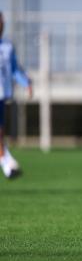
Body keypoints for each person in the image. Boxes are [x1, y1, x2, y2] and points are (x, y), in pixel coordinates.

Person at [0, 11, 33, 179]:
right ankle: (7, 163)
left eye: (3, 21)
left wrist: (26, 83)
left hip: (2, 96)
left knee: (1, 131)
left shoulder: (7, 46)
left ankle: (7, 163)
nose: (2, 24)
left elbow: (14, 70)